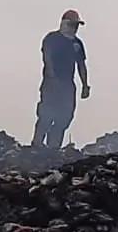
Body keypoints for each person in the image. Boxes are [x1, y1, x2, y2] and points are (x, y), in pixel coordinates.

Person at [32, 9, 90, 148]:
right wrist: (52, 76)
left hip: (68, 85)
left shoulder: (77, 44)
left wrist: (85, 84)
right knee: (46, 114)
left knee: (65, 116)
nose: (75, 28)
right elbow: (47, 58)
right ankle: (37, 144)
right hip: (51, 83)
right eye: (73, 25)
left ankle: (53, 146)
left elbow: (81, 64)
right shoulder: (52, 38)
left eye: (76, 26)